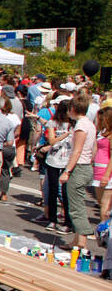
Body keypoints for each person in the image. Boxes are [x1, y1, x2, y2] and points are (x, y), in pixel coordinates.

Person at [60, 91, 97, 250]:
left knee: (76, 206)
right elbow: (93, 148)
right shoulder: (90, 123)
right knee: (77, 203)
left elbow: (77, 150)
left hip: (79, 167)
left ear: (73, 109)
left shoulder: (81, 126)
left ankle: (82, 241)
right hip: (85, 165)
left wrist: (67, 170)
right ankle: (77, 240)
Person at [40, 100, 74, 231]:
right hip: (54, 159)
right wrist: (66, 134)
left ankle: (67, 221)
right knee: (53, 189)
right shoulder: (53, 123)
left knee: (66, 192)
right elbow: (52, 140)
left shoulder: (74, 124)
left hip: (67, 159)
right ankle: (52, 220)